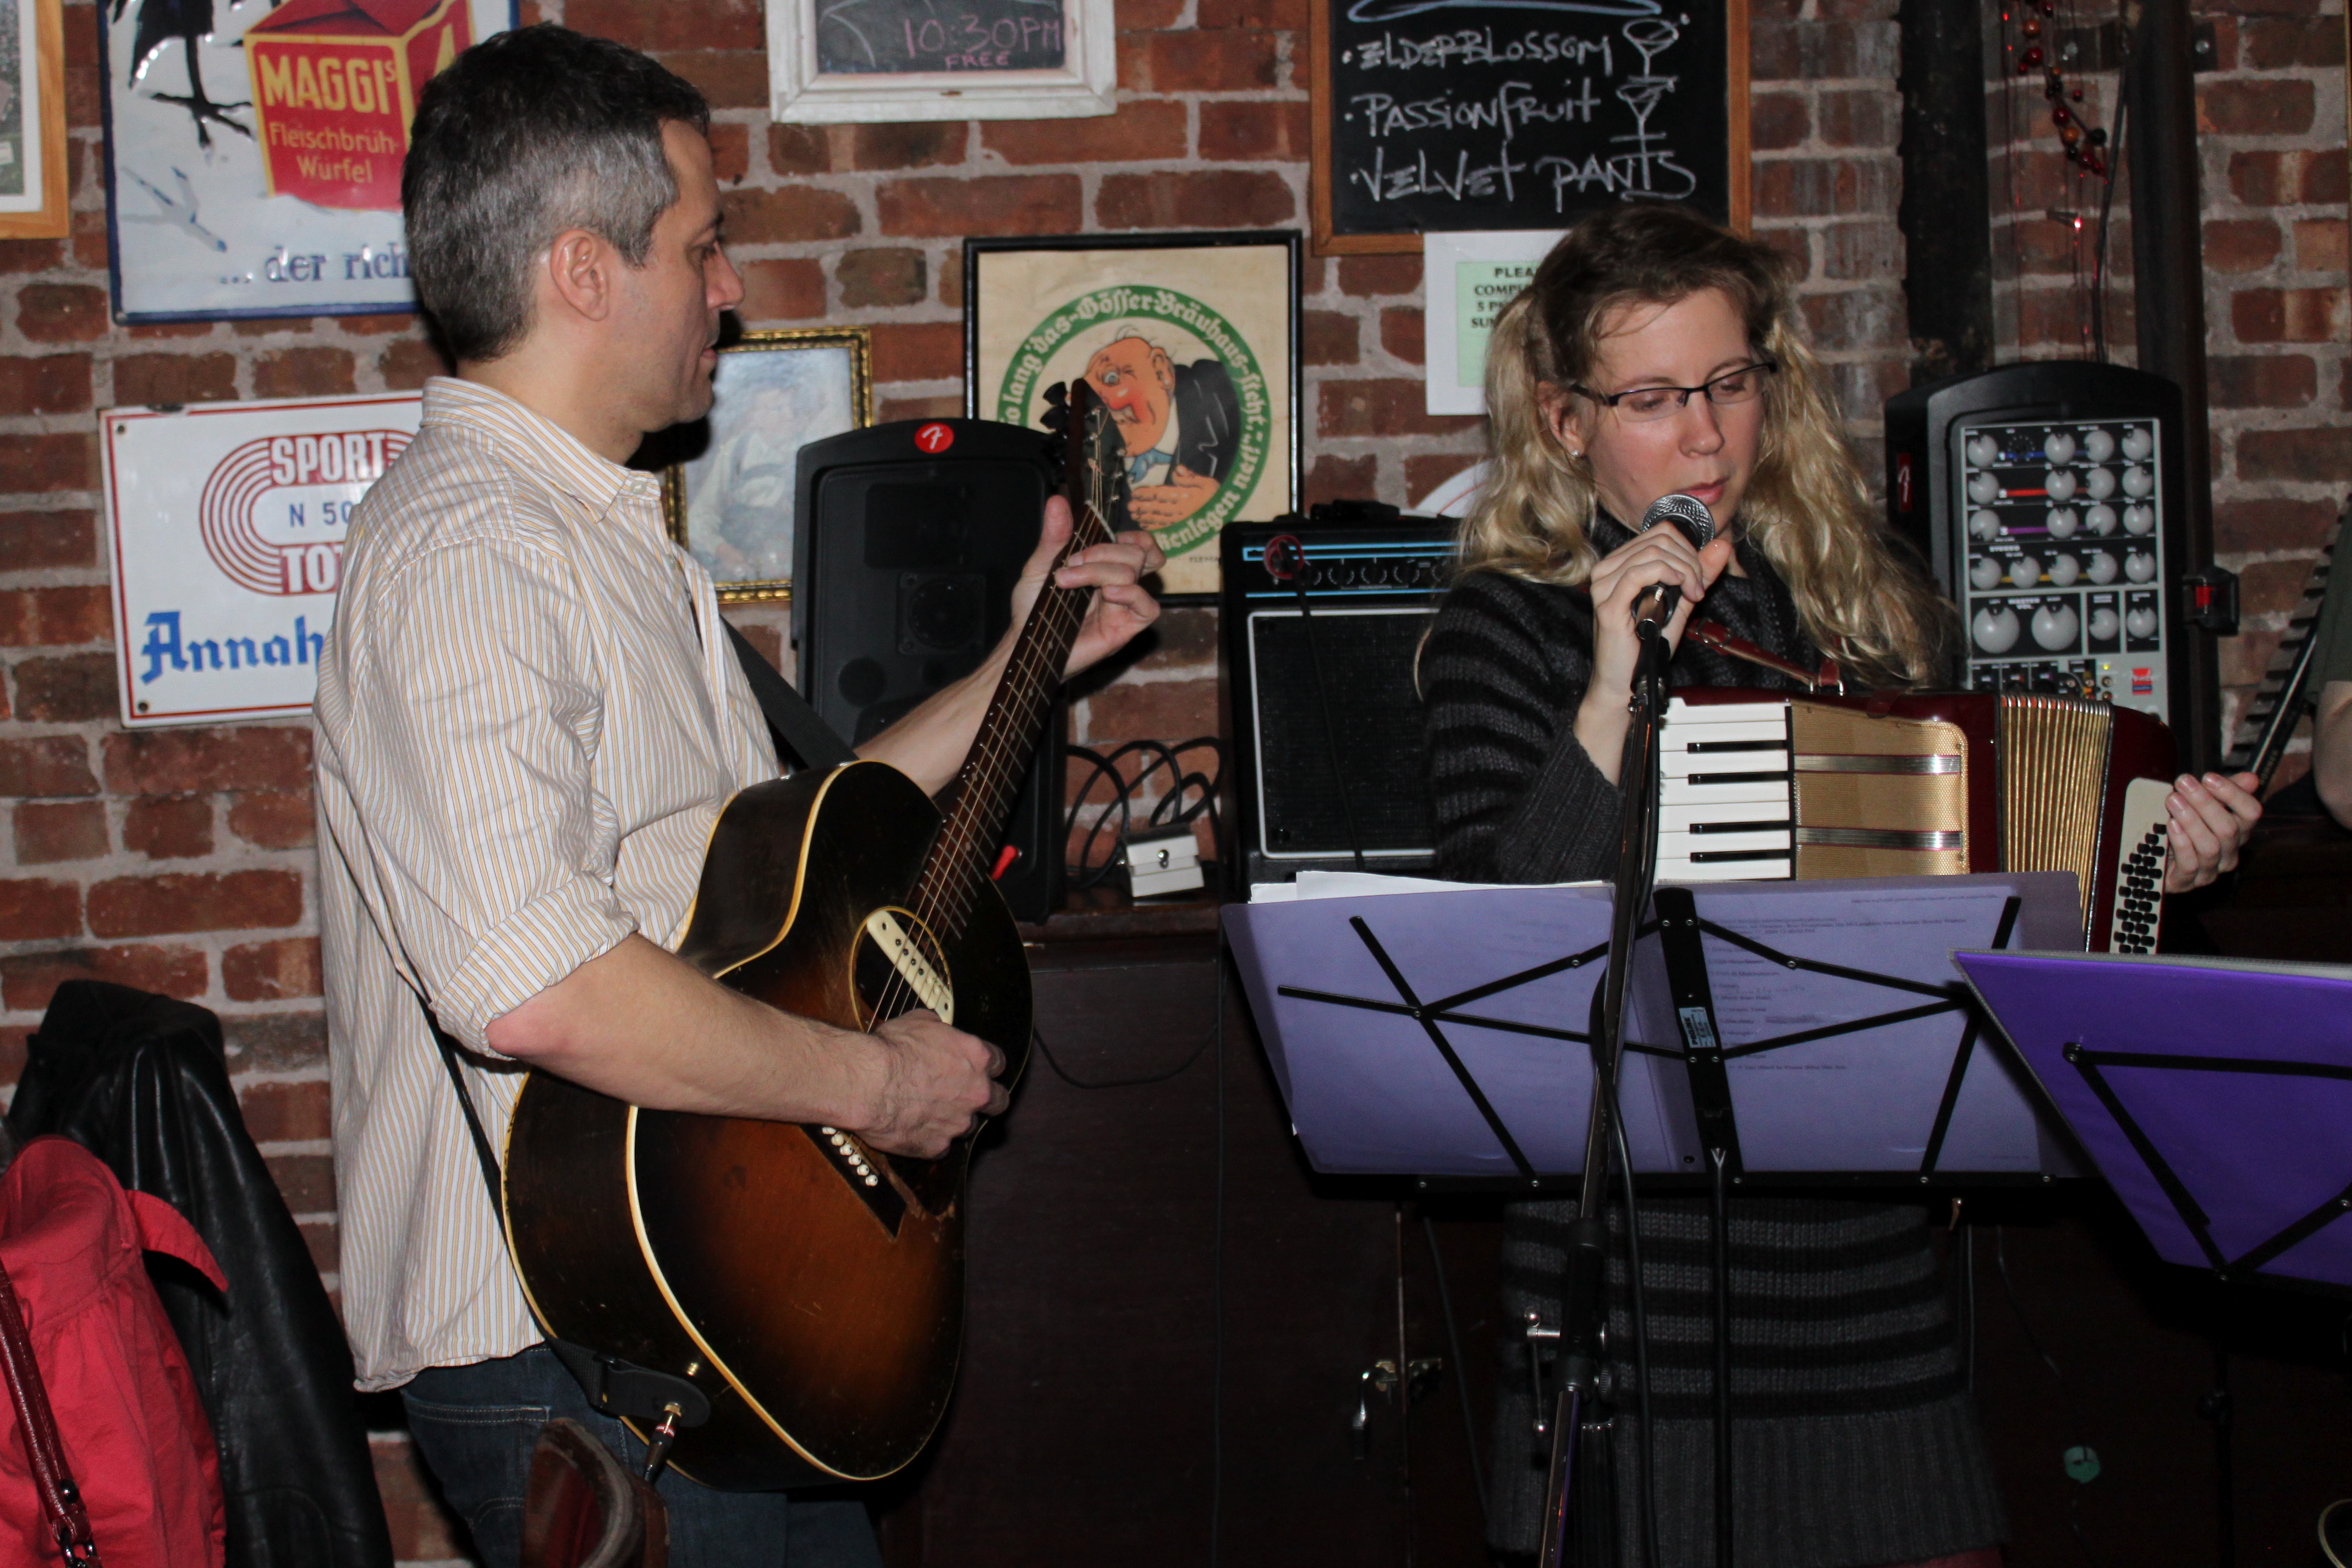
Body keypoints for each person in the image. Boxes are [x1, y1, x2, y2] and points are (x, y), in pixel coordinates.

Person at [312, 26, 1164, 1568]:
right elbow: (539, 985)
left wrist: (1028, 657)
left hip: (704, 1299)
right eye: (702, 244)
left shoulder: (591, 533)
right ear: (586, 271)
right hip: (582, 1336)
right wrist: (873, 1088)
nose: (732, 286)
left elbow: (790, 859)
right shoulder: (469, 553)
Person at [1420, 204, 2262, 1567]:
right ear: (1563, 420)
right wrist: (1610, 687)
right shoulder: (1504, 626)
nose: (1704, 436)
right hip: (1633, 1286)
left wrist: (2152, 861)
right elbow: (1508, 938)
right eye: (1649, 399)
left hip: (1859, 1270)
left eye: (1728, 383)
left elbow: (1998, 883)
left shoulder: (1860, 603)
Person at [1081, 331, 1241, 527]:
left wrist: (1217, 505)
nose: (1099, 404)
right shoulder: (1091, 461)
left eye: (1111, 378)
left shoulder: (1228, 396)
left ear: (1161, 372)